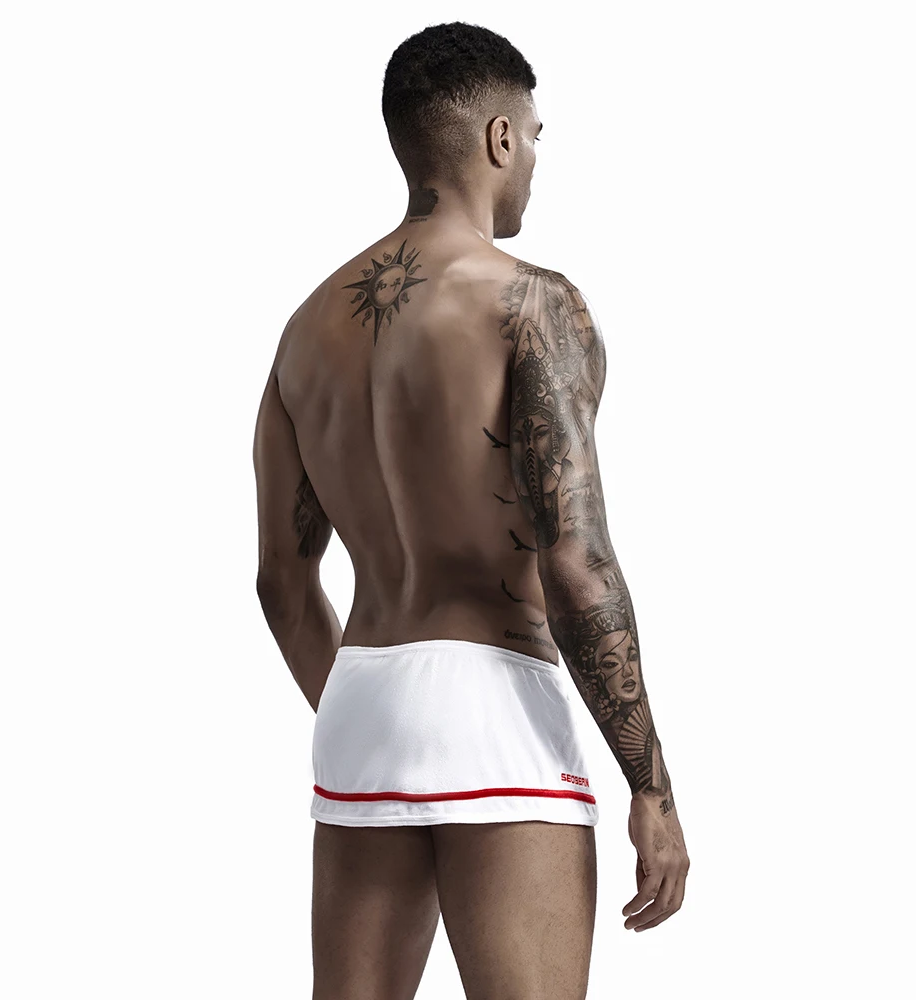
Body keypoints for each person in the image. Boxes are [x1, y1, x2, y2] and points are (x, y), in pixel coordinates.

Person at [253, 20, 690, 1000]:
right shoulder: (532, 304)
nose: (533, 158)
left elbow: (282, 580)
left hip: (360, 706)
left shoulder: (305, 329)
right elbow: (576, 562)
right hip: (495, 699)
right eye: (533, 136)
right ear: (498, 137)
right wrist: (650, 787)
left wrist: (383, 718)